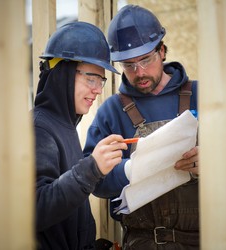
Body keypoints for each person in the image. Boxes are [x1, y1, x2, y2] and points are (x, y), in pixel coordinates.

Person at [83, 5, 200, 249]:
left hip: (203, 239)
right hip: (142, 241)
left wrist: (213, 165)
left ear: (163, 51)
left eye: (146, 59)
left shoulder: (203, 96)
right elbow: (94, 183)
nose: (140, 72)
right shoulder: (111, 112)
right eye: (129, 65)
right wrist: (129, 170)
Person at [33, 21, 128, 250]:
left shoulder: (64, 125)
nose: (97, 89)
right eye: (91, 79)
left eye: (100, 81)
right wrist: (92, 168)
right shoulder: (38, 129)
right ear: (63, 73)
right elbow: (35, 209)